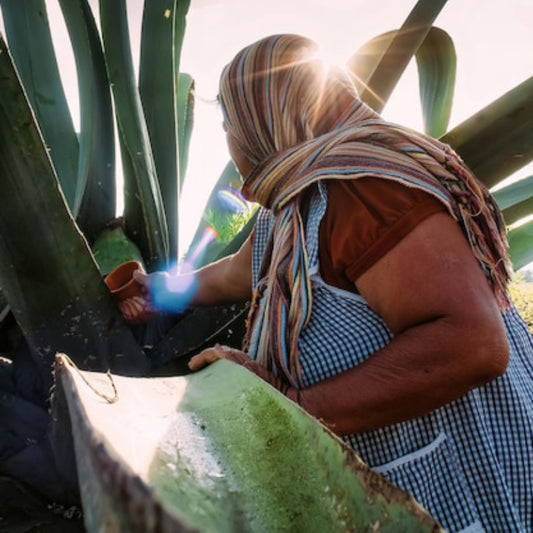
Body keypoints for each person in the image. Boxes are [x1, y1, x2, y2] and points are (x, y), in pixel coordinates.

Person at [121, 34, 533, 532]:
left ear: (262, 117)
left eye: (229, 122)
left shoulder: (364, 191)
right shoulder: (299, 200)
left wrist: (289, 408)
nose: (230, 140)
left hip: (469, 494)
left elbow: (472, 344)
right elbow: (238, 272)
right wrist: (155, 290)